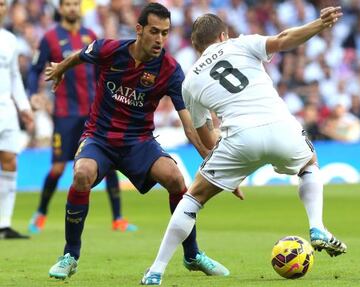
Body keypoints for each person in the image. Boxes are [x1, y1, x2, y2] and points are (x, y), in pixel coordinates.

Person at [142, 7, 348, 285]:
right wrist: (319, 25)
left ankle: (156, 270)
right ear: (223, 35)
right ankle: (317, 226)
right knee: (309, 164)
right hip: (281, 126)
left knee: (192, 199)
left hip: (239, 137)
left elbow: (205, 134)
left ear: (195, 46)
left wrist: (228, 170)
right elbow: (284, 38)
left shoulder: (189, 82)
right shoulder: (240, 43)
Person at [46, 2, 229, 280]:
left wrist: (210, 157)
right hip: (100, 136)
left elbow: (189, 125)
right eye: (154, 31)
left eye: (165, 33)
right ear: (139, 29)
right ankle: (70, 254)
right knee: (82, 174)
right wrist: (60, 68)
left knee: (176, 179)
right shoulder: (111, 50)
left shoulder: (170, 69)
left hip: (138, 141)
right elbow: (81, 56)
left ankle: (192, 255)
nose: (159, 39)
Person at [27, 0, 137, 234]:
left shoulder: (91, 36)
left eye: (76, 4)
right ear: (61, 8)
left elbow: (102, 70)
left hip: (93, 114)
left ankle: (118, 218)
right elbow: (35, 69)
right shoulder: (49, 38)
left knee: (108, 166)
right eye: (68, 4)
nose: (72, 8)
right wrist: (34, 94)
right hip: (64, 114)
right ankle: (40, 214)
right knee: (57, 168)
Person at [0, 0, 34, 239]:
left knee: (10, 161)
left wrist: (23, 107)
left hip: (6, 109)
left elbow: (13, 76)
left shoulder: (10, 40)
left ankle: (4, 223)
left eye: (2, 4)